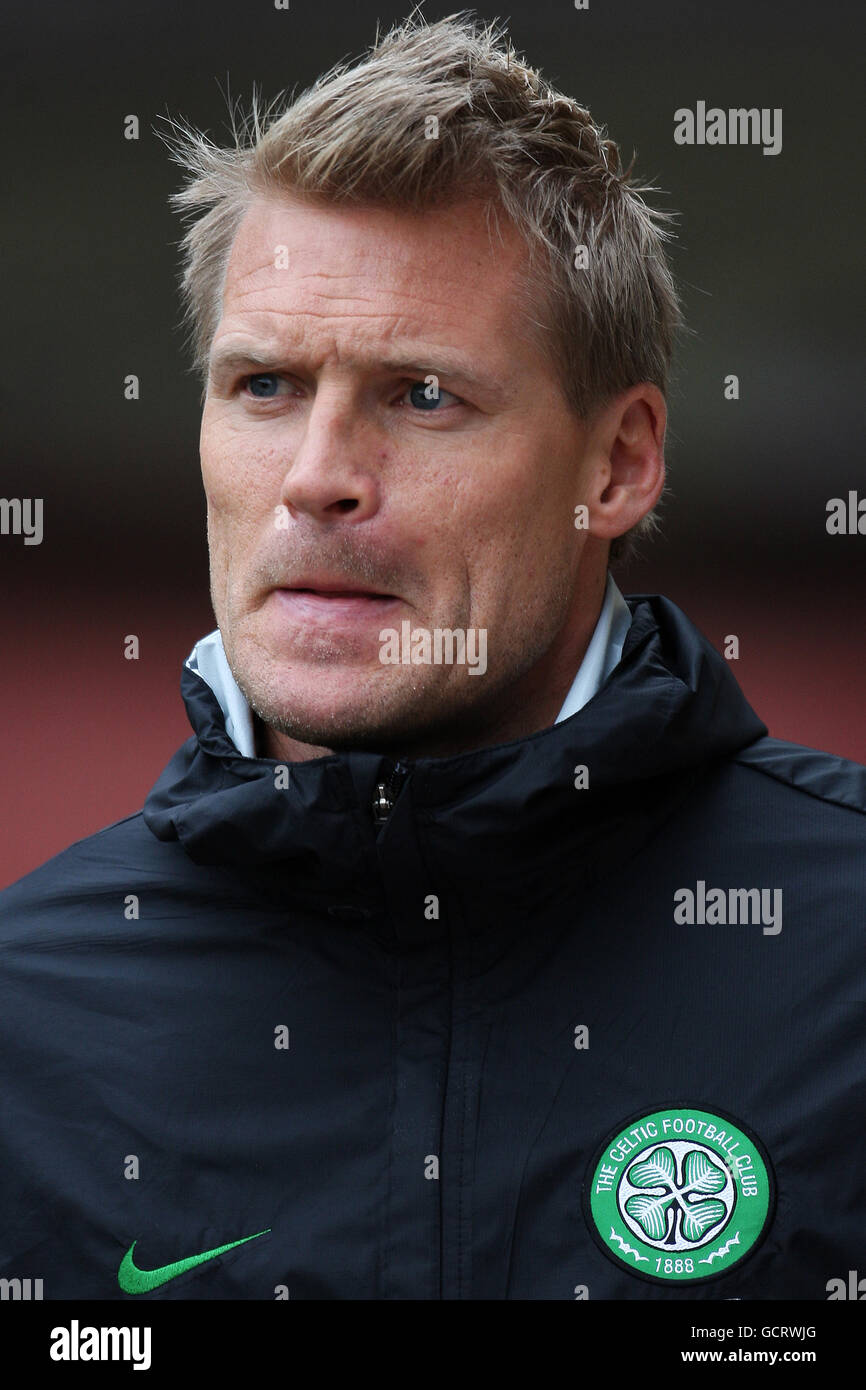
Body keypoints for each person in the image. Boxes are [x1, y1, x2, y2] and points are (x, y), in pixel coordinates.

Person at [1, 12, 863, 1302]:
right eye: (265, 388)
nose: (316, 480)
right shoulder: (24, 1015)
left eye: (421, 396)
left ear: (618, 463)